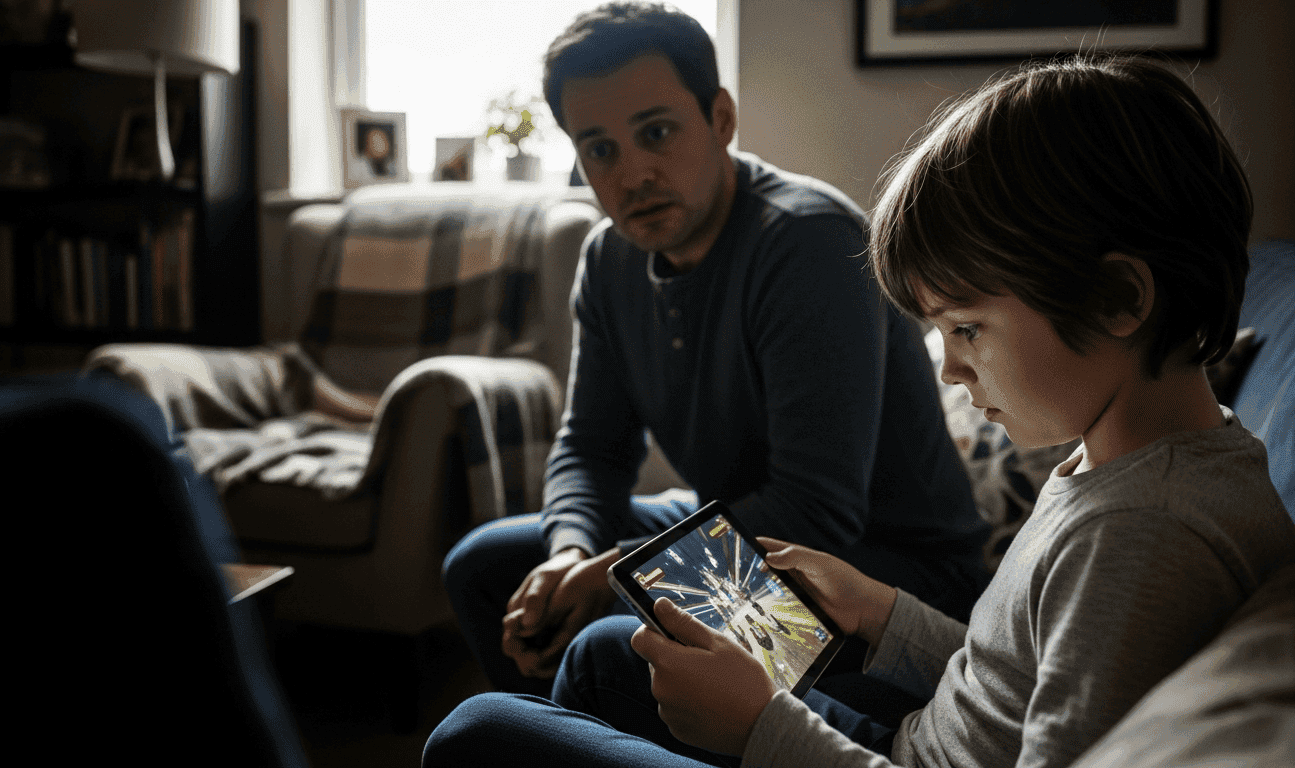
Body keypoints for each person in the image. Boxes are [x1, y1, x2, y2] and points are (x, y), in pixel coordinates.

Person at [424, 53, 1295, 768]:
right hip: (907, 726)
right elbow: (1004, 682)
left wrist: (762, 727)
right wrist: (884, 616)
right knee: (576, 629)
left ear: (1118, 299)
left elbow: (820, 510)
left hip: (883, 700)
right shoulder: (1106, 464)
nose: (947, 366)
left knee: (479, 730)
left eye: (966, 328)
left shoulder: (1142, 534)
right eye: (598, 148)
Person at [442, 0, 990, 701]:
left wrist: (615, 572)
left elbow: (817, 513)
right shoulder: (609, 260)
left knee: (616, 643)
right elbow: (592, 448)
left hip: (878, 572)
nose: (632, 174)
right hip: (738, 531)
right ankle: (553, 736)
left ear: (721, 119)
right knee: (487, 565)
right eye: (600, 149)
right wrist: (571, 551)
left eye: (657, 133)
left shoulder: (808, 242)